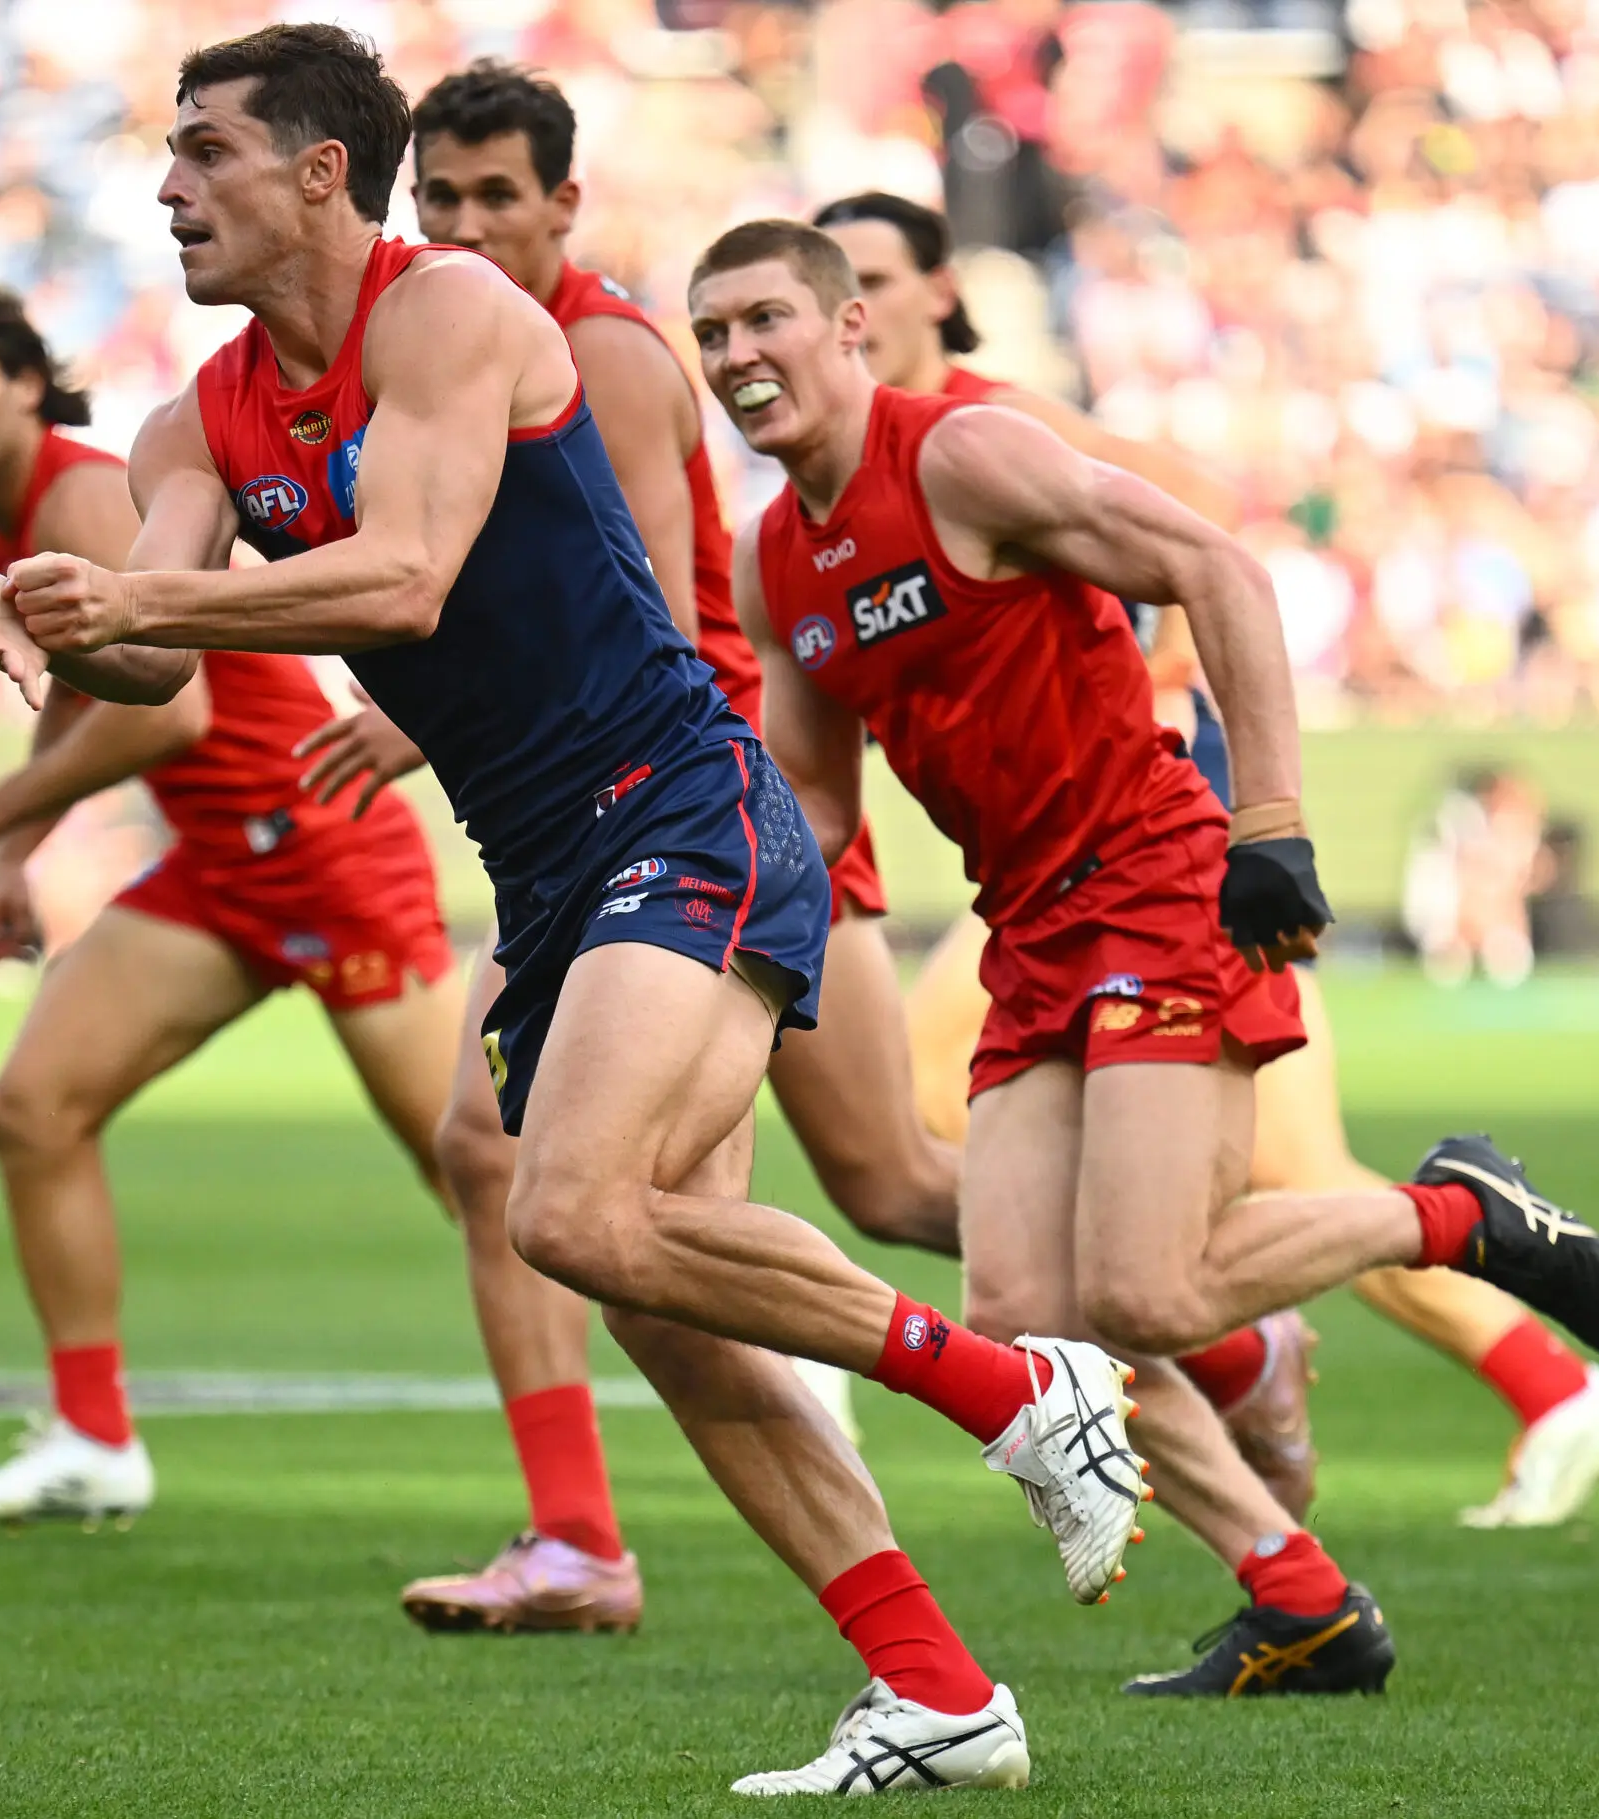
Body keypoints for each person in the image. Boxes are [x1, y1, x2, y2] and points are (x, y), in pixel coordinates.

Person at [0, 28, 1152, 1791]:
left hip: (682, 803)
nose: (168, 185)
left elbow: (406, 578)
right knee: (661, 1297)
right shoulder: (202, 410)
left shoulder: (460, 318)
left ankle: (1017, 1389)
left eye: (205, 152)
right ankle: (939, 1690)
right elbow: (164, 624)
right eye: (168, 155)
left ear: (320, 171)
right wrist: (54, 613)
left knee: (564, 1204)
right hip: (555, 865)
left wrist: (125, 594)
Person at [691, 218, 1599, 1697]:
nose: (739, 354)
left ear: (851, 329)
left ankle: (1457, 1210)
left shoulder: (959, 456)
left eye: (764, 319)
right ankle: (1301, 1594)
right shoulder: (770, 561)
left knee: (1144, 1290)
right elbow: (816, 800)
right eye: (715, 334)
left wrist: (1271, 818)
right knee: (1026, 1319)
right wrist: (709, 914)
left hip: (1156, 876)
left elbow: (1217, 562)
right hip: (1029, 921)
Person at [293, 62, 962, 1633]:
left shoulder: (591, 343)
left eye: (491, 197)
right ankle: (610, 1538)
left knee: (826, 1194)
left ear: (561, 207)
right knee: (592, 1191)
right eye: (436, 198)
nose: (456, 222)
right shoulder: (427, 345)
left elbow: (644, 616)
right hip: (609, 831)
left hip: (705, 812)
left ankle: (1148, 1323)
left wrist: (421, 709)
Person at [0, 285, 463, 1528]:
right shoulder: (13, 515)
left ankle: (739, 1325)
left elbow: (174, 704)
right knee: (34, 1109)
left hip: (319, 846)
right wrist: (14, 857)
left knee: (491, 1180)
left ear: (29, 386)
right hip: (218, 863)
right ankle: (92, 1439)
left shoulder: (84, 492)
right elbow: (81, 689)